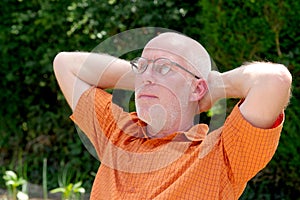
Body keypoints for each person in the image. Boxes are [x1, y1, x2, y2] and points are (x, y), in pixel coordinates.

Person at [53, 32, 292, 199]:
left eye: (165, 67)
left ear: (197, 88)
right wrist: (145, 76)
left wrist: (212, 89)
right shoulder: (117, 133)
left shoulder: (221, 155)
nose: (147, 76)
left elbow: (274, 81)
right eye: (142, 66)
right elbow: (66, 64)